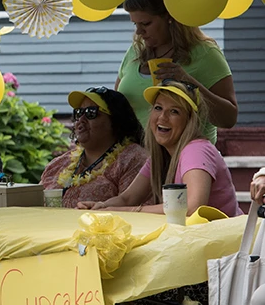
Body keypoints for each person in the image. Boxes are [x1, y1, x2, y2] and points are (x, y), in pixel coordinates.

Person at [82, 82, 242, 217]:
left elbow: (192, 207)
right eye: (158, 108)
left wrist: (129, 211)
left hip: (227, 242)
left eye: (174, 111)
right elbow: (127, 199)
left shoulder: (196, 150)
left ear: (189, 120)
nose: (162, 117)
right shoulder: (161, 155)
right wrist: (101, 207)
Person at [116, 0, 236, 143]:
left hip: (187, 155)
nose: (139, 32)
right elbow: (117, 107)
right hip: (139, 155)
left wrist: (188, 83)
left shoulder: (205, 53)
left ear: (169, 17)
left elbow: (229, 119)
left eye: (146, 23)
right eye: (135, 24)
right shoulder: (135, 51)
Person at [39, 86, 147, 209]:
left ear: (116, 121)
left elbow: (133, 210)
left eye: (91, 113)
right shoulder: (58, 164)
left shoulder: (133, 159)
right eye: (78, 112)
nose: (81, 119)